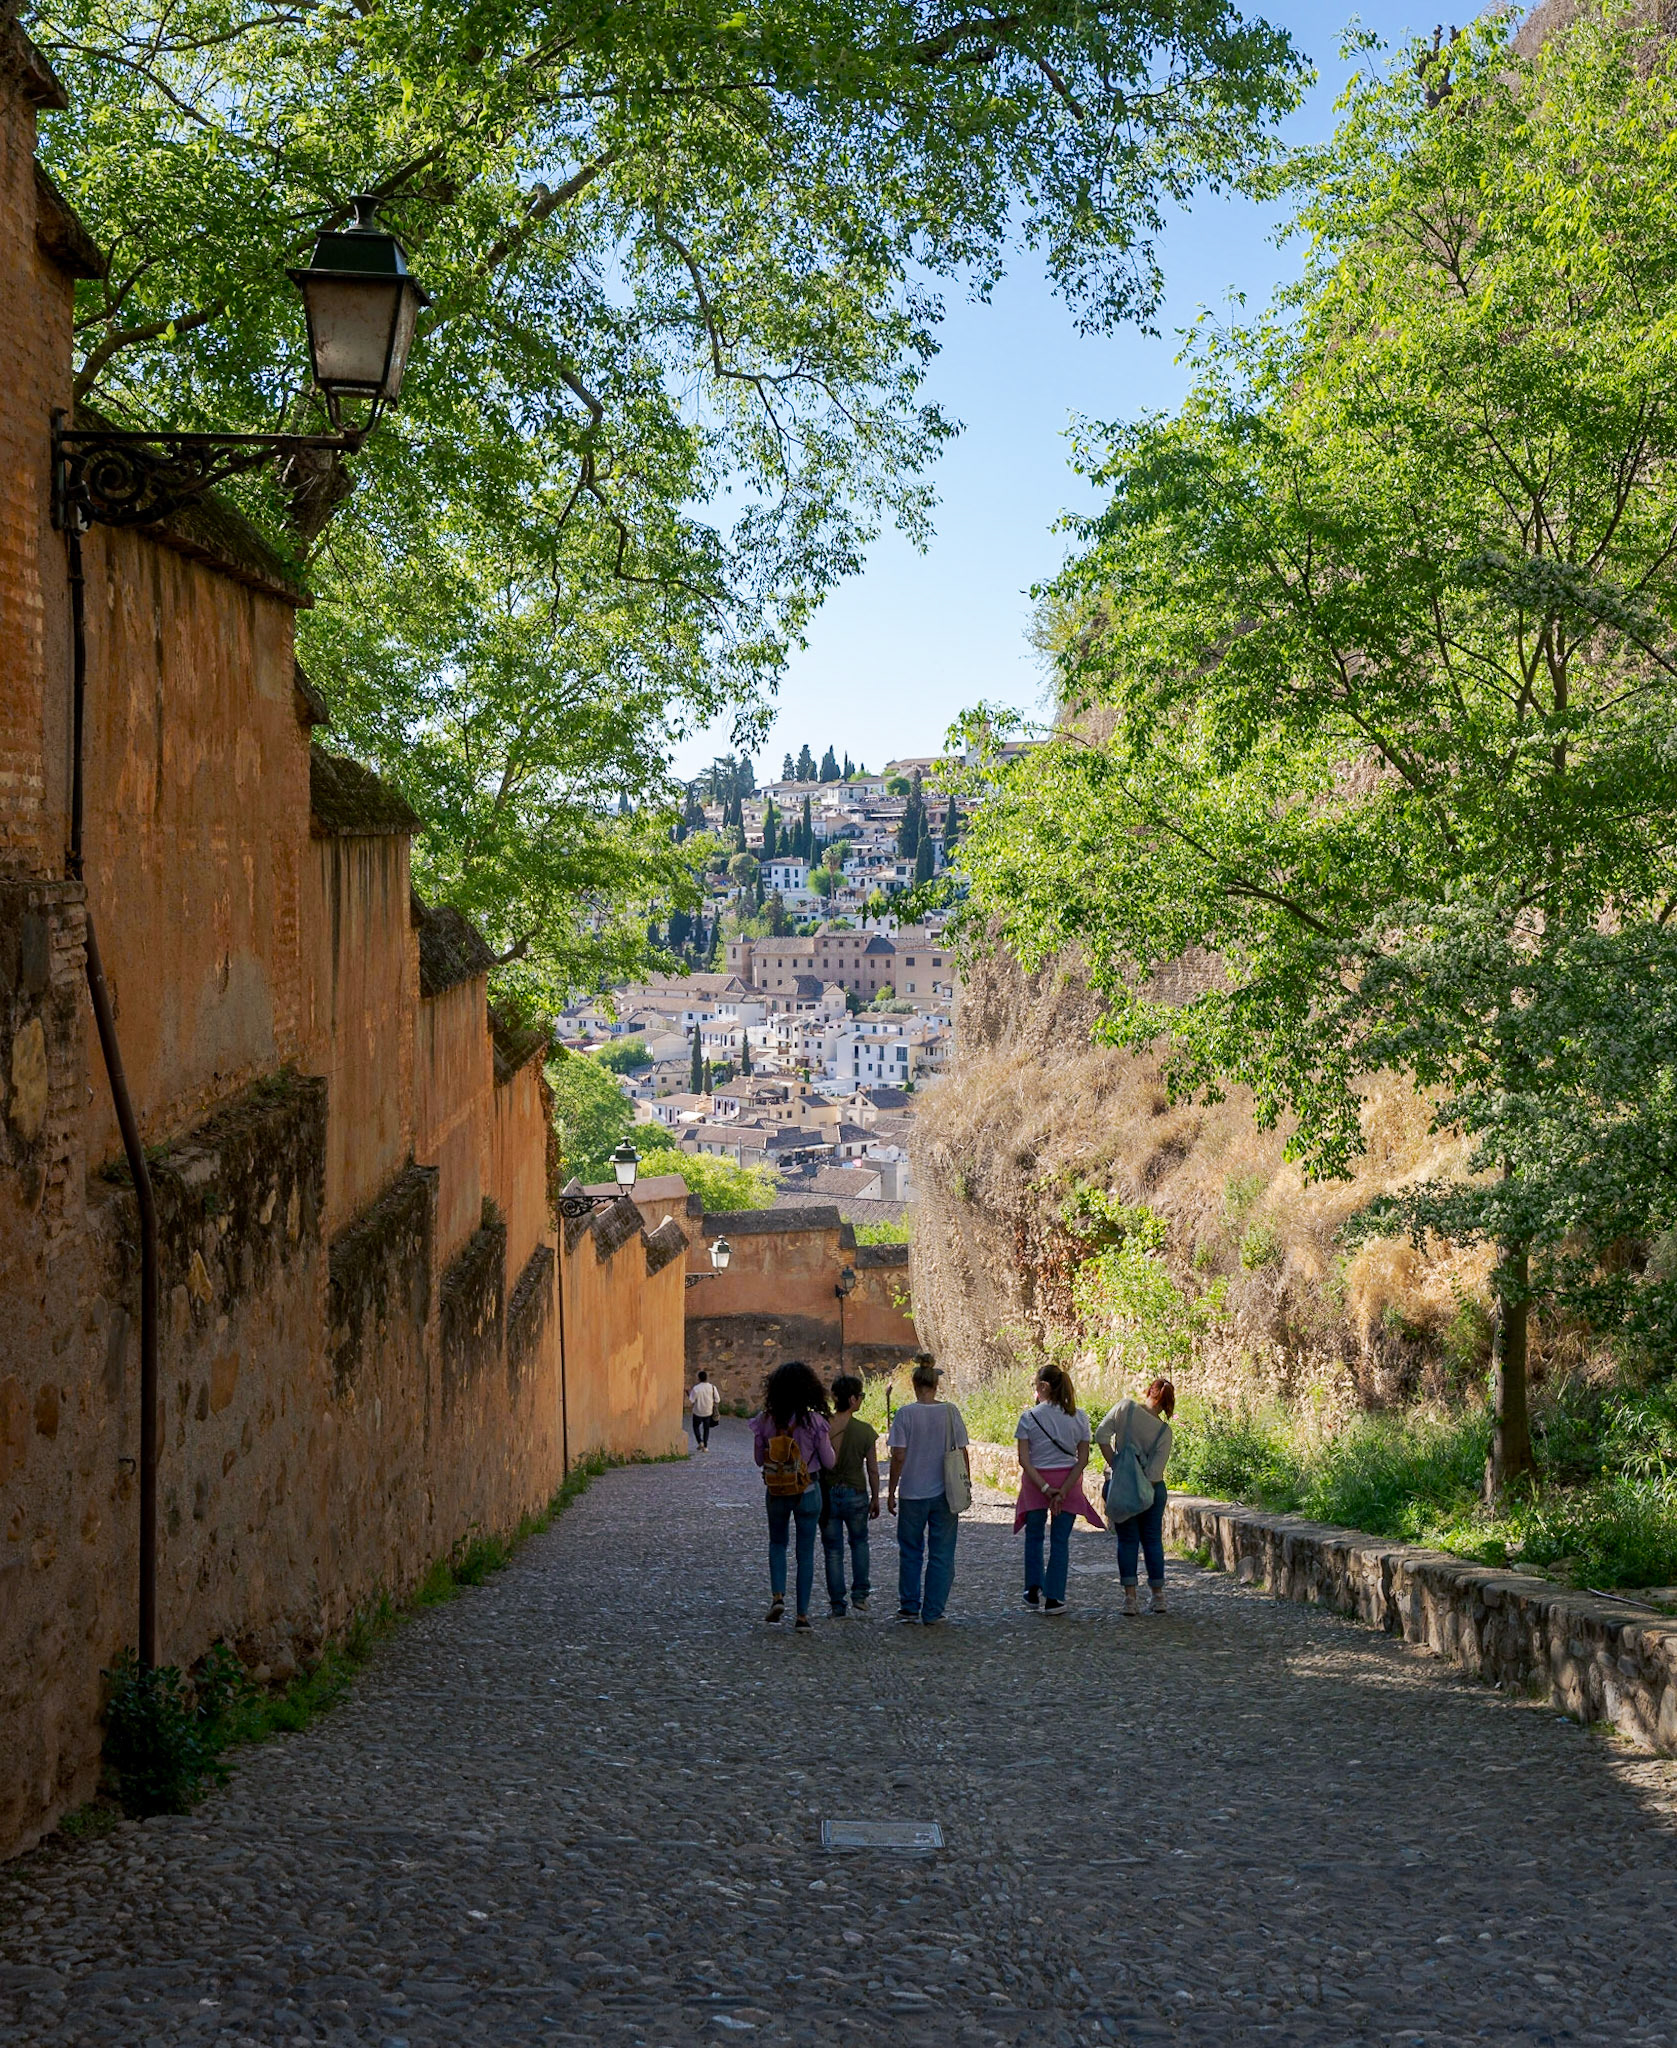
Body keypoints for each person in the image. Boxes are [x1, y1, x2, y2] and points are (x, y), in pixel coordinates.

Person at [751, 1361, 835, 1629]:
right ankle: (802, 1615)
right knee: (805, 1552)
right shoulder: (815, 1421)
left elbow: (757, 1459)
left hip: (776, 1491)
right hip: (808, 1490)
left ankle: (778, 1596)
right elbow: (829, 1462)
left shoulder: (765, 1421)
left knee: (777, 1543)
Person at [1014, 1363, 1104, 1612]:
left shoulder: (1029, 1417)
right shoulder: (1080, 1416)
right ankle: (1054, 1598)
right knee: (1060, 1540)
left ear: (1043, 1387)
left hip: (1035, 1483)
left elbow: (1024, 1459)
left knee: (1034, 1537)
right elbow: (1083, 1458)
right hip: (1069, 1482)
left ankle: (1032, 1589)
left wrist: (1044, 1487)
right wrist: (1063, 1490)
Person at [886, 1356, 969, 1625]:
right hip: (944, 1493)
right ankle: (933, 1611)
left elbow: (898, 1455)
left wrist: (891, 1490)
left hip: (912, 1493)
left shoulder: (904, 1414)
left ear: (914, 1384)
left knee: (910, 1550)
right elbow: (962, 1451)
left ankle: (909, 1607)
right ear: (936, 1384)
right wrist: (966, 1484)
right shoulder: (950, 1411)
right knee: (942, 1553)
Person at [1094, 1378, 1176, 1615]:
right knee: (1152, 1540)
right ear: (1169, 1403)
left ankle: (1130, 1599)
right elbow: (1154, 1473)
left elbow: (1101, 1435)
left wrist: (1117, 1466)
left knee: (1127, 1541)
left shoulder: (1125, 1408)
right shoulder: (1164, 1432)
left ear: (1149, 1391)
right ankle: (1158, 1596)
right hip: (1151, 1491)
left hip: (1121, 1486)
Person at [822, 1374, 879, 1617]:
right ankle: (860, 1595)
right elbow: (873, 1469)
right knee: (859, 1543)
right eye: (861, 1396)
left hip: (827, 1494)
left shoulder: (823, 1426)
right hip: (856, 1492)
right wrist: (877, 1497)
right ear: (853, 1399)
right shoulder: (866, 1432)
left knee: (832, 1549)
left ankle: (837, 1604)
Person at [687, 1369, 720, 1452]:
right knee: (706, 1429)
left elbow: (691, 1400)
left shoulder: (696, 1388)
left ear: (699, 1378)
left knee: (695, 1427)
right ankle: (705, 1446)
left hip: (698, 1411)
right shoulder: (712, 1387)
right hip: (708, 1411)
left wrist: (688, 1393)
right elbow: (717, 1399)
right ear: (707, 1378)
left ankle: (700, 1441)